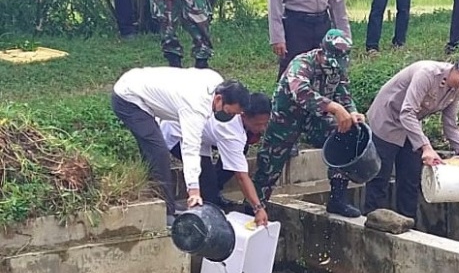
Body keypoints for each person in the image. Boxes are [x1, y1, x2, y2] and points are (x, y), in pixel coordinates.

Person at [111, 67, 249, 221]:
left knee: (152, 151)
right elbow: (190, 148)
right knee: (159, 153)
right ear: (218, 99)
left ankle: (160, 202)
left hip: (137, 85)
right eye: (229, 112)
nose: (229, 117)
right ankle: (167, 214)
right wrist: (194, 191)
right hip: (128, 98)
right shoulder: (196, 106)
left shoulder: (216, 81)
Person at [363, 54, 459, 221]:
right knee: (380, 176)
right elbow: (407, 111)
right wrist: (426, 147)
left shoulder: (455, 90)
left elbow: (450, 123)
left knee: (411, 178)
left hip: (410, 127)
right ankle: (373, 223)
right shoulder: (428, 74)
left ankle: (407, 224)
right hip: (387, 119)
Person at [254, 29, 365, 217]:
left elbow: (343, 93)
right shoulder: (302, 63)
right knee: (270, 164)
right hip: (286, 118)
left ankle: (337, 198)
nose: (335, 68)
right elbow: (302, 93)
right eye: (333, 63)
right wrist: (335, 108)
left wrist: (352, 112)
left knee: (342, 137)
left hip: (316, 118)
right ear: (322, 53)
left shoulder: (338, 69)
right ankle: (255, 206)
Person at [160, 92, 271, 225]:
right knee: (208, 187)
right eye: (258, 124)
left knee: (237, 156)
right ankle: (194, 220)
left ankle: (213, 189)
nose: (262, 129)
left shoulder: (235, 110)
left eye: (265, 124)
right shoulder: (230, 131)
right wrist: (258, 208)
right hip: (178, 134)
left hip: (203, 135)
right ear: (244, 114)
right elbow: (241, 176)